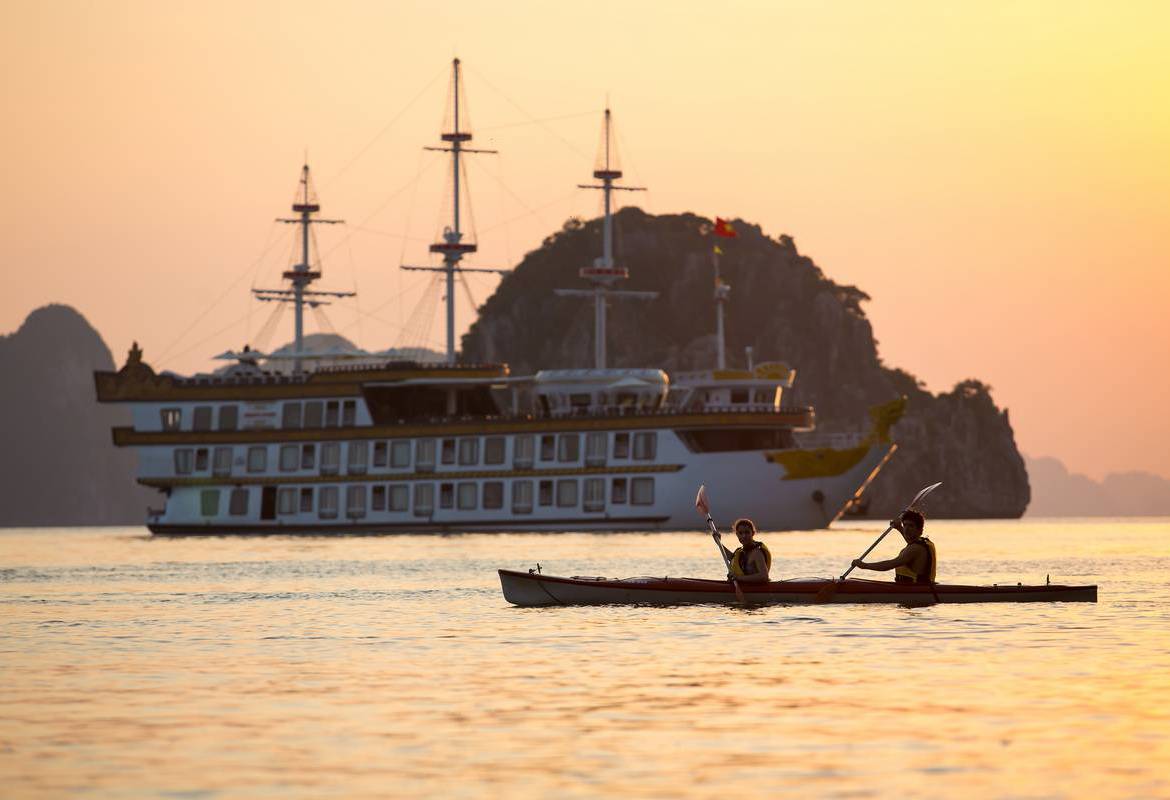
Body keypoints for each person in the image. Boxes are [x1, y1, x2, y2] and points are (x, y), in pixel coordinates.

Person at [851, 509, 936, 584]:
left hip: (915, 590)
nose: (906, 529)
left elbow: (890, 564)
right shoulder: (922, 543)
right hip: (916, 587)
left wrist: (865, 565)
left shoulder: (915, 549)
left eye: (911, 526)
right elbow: (910, 541)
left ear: (920, 531)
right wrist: (899, 528)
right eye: (905, 525)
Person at [717, 518, 772, 583]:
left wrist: (737, 578)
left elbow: (764, 576)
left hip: (755, 588)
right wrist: (719, 543)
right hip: (743, 586)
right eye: (740, 533)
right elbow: (732, 558)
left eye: (747, 532)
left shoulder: (757, 553)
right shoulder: (741, 551)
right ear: (737, 534)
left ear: (753, 533)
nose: (744, 536)